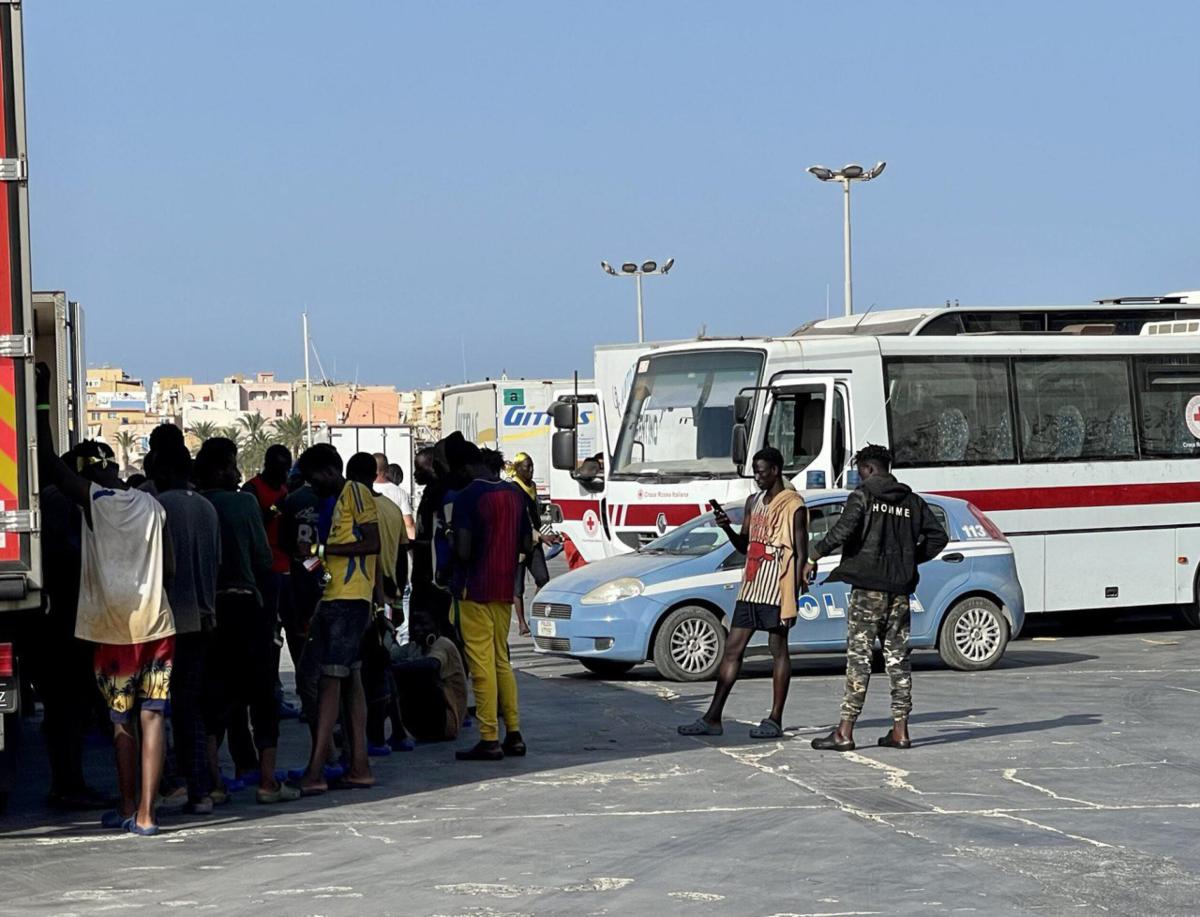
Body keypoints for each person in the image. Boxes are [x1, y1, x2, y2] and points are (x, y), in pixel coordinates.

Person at [34, 363, 176, 835]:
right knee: (154, 716)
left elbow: (48, 460)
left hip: (114, 631)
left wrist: (41, 393)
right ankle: (149, 815)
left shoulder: (95, 503)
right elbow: (169, 569)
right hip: (159, 627)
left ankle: (127, 804)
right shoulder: (153, 507)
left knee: (122, 724)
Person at [804, 444, 949, 752]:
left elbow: (842, 531)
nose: (859, 477)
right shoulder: (912, 501)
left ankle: (845, 731)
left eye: (860, 471)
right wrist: (909, 560)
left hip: (867, 590)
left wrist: (813, 556)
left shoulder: (863, 496)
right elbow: (939, 537)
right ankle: (901, 730)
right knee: (898, 660)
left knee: (860, 660)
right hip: (899, 590)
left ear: (868, 469)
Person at [677, 448, 808, 740]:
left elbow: (801, 552)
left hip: (778, 585)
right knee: (733, 649)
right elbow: (744, 546)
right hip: (751, 585)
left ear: (775, 470)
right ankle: (713, 717)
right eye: (755, 471)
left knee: (778, 650)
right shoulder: (754, 502)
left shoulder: (793, 505)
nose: (757, 477)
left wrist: (794, 597)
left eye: (761, 471)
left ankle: (775, 718)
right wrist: (727, 529)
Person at [196, 438, 299, 804]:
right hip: (246, 605)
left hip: (206, 614)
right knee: (263, 696)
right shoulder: (243, 503)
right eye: (231, 463)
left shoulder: (197, 504)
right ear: (221, 468)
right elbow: (262, 560)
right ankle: (267, 782)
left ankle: (213, 782)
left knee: (214, 700)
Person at [295, 445, 379, 795]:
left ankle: (316, 770)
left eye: (314, 478)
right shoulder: (332, 503)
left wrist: (322, 552)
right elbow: (329, 562)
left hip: (348, 602)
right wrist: (312, 558)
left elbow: (371, 542)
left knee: (327, 682)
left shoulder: (355, 492)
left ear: (330, 471)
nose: (312, 486)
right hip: (338, 599)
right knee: (351, 681)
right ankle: (359, 765)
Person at [447, 440, 532, 761]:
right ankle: (514, 732)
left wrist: (451, 540)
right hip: (503, 587)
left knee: (481, 665)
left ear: (466, 467)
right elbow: (526, 541)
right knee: (501, 662)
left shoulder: (469, 496)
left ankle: (489, 737)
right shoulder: (515, 494)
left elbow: (465, 550)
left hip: (474, 588)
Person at [154, 441, 220, 814]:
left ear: (163, 471)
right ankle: (201, 790)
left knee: (156, 708)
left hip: (166, 621)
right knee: (191, 706)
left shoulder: (159, 508)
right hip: (204, 619)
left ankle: (169, 784)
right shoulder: (207, 508)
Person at [346, 452, 409, 755]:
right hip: (389, 596)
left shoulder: (352, 510)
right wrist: (397, 598)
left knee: (365, 670)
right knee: (386, 663)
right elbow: (401, 560)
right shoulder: (392, 509)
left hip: (364, 596)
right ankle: (396, 730)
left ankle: (374, 735)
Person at [243, 445, 300, 718]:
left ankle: (302, 693)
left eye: (286, 468)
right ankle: (269, 692)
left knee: (296, 631)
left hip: (288, 567)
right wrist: (279, 507)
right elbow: (254, 522)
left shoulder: (288, 489)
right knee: (269, 636)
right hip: (264, 570)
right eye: (279, 468)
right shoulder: (252, 490)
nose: (283, 474)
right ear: (267, 465)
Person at [393, 610, 468, 743]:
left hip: (446, 723)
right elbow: (389, 656)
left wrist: (397, 668)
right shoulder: (415, 647)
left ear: (436, 625)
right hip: (423, 726)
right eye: (415, 625)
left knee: (419, 675)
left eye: (424, 624)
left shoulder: (442, 644)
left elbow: (431, 665)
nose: (418, 629)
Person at [507, 452, 559, 637]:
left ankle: (533, 612)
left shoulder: (532, 487)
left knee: (543, 579)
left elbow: (535, 516)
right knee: (517, 587)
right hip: (518, 545)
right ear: (517, 469)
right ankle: (522, 623)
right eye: (526, 467)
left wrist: (547, 533)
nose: (530, 470)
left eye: (532, 466)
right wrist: (540, 537)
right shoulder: (513, 489)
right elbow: (519, 522)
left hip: (534, 542)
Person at [410, 446, 454, 640]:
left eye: (420, 469)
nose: (415, 474)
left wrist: (417, 545)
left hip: (434, 577)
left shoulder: (441, 494)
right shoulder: (429, 492)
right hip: (423, 573)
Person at [374, 454, 416, 540]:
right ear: (386, 469)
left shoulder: (362, 489)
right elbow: (409, 524)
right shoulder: (400, 492)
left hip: (368, 545)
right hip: (393, 544)